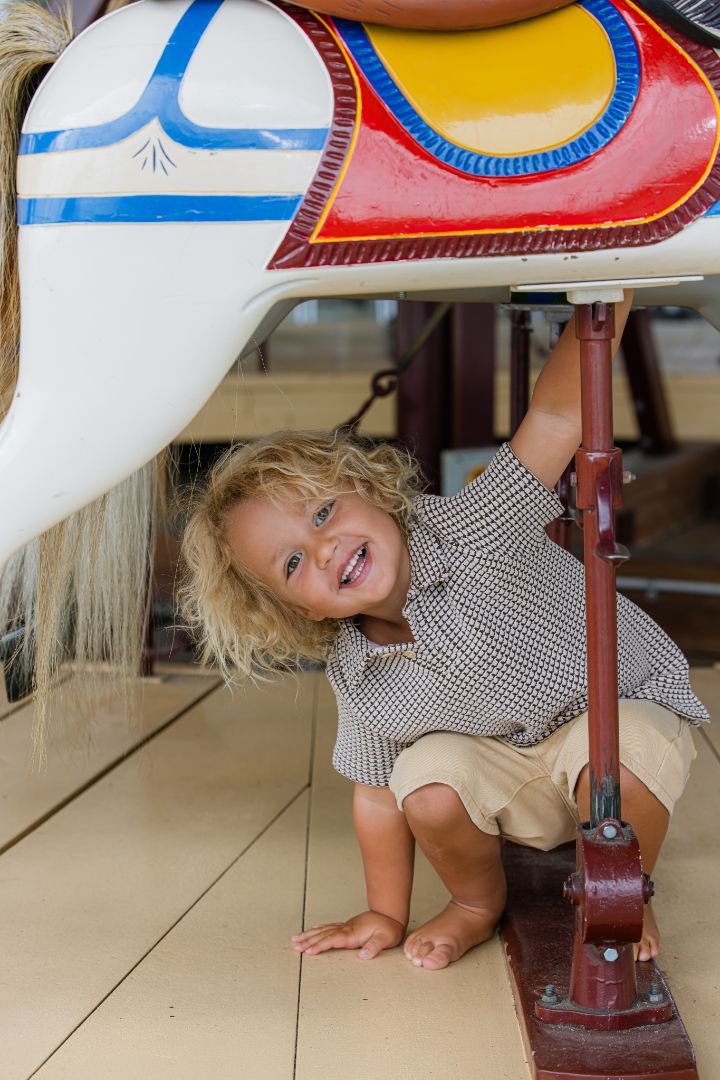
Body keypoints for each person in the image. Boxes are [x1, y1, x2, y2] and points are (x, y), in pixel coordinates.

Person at [180, 291, 709, 972]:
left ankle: (622, 889)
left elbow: (553, 415)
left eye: (322, 514)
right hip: (513, 784)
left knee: (624, 749)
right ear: (298, 610)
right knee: (420, 784)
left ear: (369, 489)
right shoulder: (357, 669)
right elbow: (374, 797)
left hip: (613, 734)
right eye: (292, 564)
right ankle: (473, 904)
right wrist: (384, 912)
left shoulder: (475, 526)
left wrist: (607, 298)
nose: (325, 550)